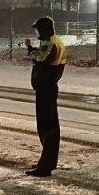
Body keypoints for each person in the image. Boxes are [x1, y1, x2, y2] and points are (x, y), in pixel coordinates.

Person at [24, 16, 67, 177]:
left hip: (46, 89)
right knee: (49, 126)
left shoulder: (51, 42)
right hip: (48, 87)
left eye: (38, 29)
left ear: (44, 29)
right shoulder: (56, 41)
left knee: (47, 127)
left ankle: (46, 165)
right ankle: (46, 161)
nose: (37, 33)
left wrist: (29, 48)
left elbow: (40, 59)